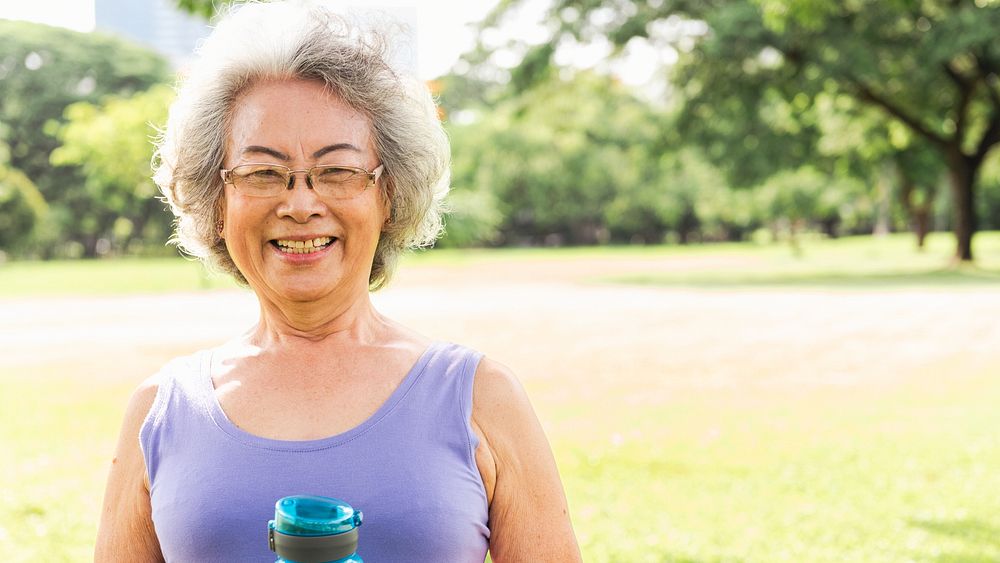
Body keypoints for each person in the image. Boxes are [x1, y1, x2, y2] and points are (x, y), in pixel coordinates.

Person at [94, 2, 582, 561]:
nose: (301, 204)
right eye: (262, 173)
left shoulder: (480, 398)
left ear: (389, 195)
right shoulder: (161, 412)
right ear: (217, 201)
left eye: (338, 171)